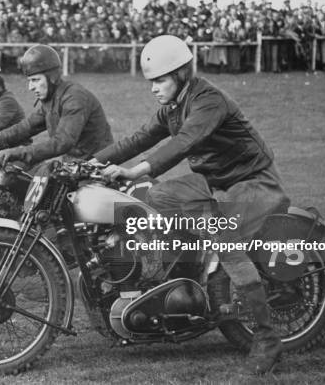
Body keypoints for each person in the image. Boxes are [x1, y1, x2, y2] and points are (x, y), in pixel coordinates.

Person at [92, 35, 290, 375]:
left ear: (182, 74)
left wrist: (136, 169)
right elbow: (138, 138)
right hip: (215, 183)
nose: (154, 88)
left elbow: (186, 142)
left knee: (226, 242)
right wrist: (89, 162)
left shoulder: (208, 100)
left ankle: (268, 338)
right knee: (157, 195)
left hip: (252, 181)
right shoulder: (172, 107)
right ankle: (187, 269)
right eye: (151, 81)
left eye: (160, 80)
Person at [0, 44, 114, 167]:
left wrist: (17, 152)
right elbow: (26, 127)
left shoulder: (74, 97)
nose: (30, 87)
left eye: (35, 80)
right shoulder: (52, 98)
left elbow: (62, 142)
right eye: (29, 81)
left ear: (52, 77)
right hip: (75, 166)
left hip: (97, 168)